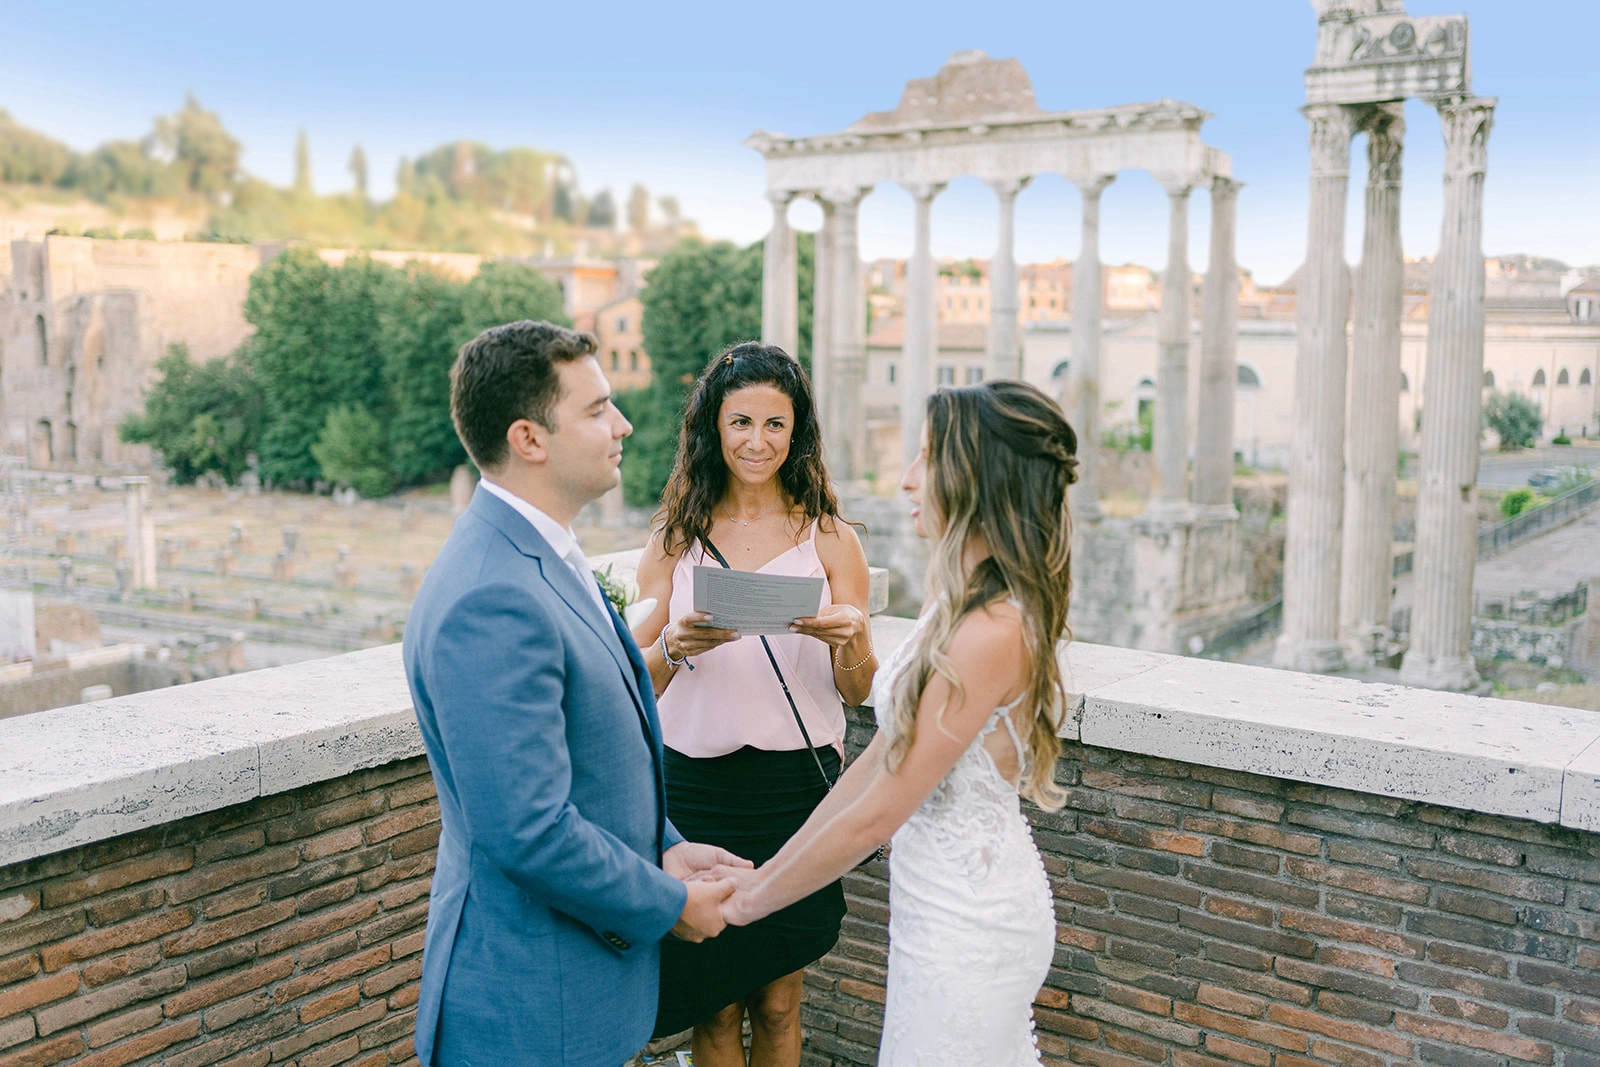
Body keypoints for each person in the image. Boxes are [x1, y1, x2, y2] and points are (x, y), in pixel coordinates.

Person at [402, 320, 747, 1067]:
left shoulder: (543, 550)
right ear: (529, 438)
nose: (622, 425)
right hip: (529, 1008)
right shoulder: (491, 597)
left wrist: (666, 849)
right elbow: (528, 828)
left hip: (575, 994)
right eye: (596, 410)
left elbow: (592, 760)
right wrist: (670, 904)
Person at [713, 380, 1078, 1066]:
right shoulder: (958, 605)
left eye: (926, 458)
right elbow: (879, 760)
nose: (908, 479)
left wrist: (745, 906)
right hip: (932, 907)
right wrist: (762, 875)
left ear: (978, 477)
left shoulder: (994, 629)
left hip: (970, 919)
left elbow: (880, 812)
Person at [631, 342, 877, 1067]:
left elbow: (858, 689)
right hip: (695, 789)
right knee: (714, 1004)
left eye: (776, 424)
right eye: (741, 422)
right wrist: (675, 643)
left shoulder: (830, 537)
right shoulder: (674, 537)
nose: (758, 441)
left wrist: (849, 637)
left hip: (794, 790)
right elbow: (632, 685)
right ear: (713, 427)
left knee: (777, 1001)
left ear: (797, 432)